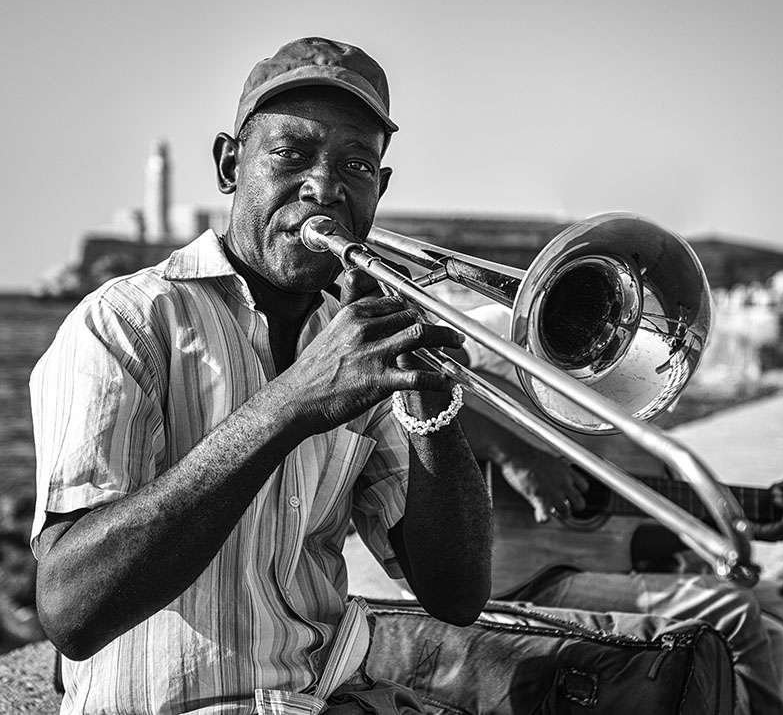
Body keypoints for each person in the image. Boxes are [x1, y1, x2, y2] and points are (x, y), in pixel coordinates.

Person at [29, 37, 493, 714]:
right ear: (229, 165)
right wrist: (293, 403)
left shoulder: (354, 337)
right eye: (291, 154)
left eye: (356, 165)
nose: (325, 187)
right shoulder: (126, 321)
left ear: (380, 189)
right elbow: (71, 611)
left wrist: (431, 404)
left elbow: (455, 595)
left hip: (327, 696)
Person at [455, 303, 783, 715]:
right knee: (732, 610)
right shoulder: (499, 327)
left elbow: (621, 537)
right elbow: (420, 391)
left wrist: (733, 524)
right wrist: (516, 456)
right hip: (510, 577)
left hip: (567, 565)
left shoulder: (624, 379)